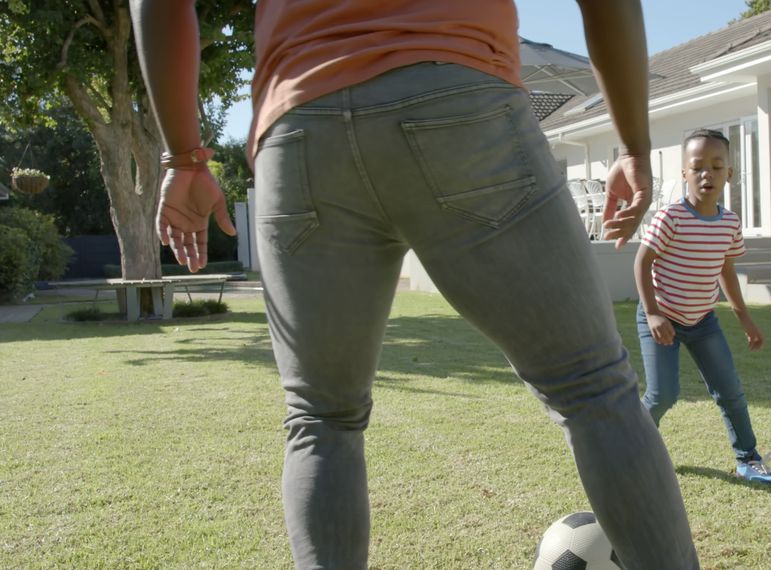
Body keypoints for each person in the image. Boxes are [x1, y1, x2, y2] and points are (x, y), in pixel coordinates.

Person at [130, 1, 701, 568]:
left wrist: (183, 158)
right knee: (593, 389)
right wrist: (631, 144)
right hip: (459, 94)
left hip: (299, 128)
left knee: (321, 420)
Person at [634, 128, 771, 485]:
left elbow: (726, 268)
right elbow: (642, 262)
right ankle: (630, 450)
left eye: (717, 167)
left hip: (702, 320)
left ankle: (748, 459)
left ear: (729, 174)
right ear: (684, 173)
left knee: (729, 390)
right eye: (697, 167)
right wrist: (653, 313)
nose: (707, 174)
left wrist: (745, 318)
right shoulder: (670, 218)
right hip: (662, 317)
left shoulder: (729, 223)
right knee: (663, 394)